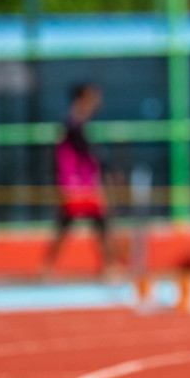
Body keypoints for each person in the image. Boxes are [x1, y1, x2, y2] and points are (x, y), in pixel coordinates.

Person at [39, 83, 121, 278]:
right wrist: (106, 168)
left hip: (82, 182)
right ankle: (108, 265)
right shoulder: (72, 123)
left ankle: (107, 264)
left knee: (93, 223)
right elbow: (83, 150)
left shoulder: (77, 123)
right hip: (75, 184)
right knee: (83, 223)